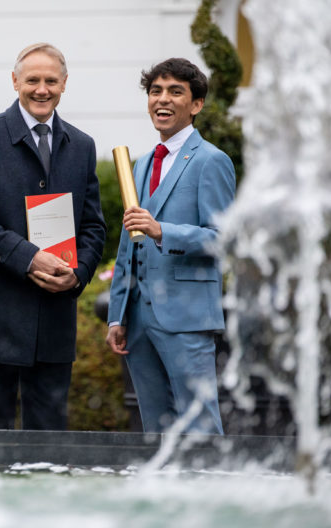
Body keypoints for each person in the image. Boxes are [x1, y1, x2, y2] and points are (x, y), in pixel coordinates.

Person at [0, 42, 106, 430]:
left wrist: (79, 274)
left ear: (64, 84)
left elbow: (93, 226)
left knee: (49, 442)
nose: (42, 89)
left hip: (54, 319)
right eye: (32, 80)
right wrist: (29, 257)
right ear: (15, 81)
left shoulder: (82, 145)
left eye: (51, 81)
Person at [106, 57, 235, 434]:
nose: (162, 99)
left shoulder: (212, 161)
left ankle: (210, 475)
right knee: (155, 427)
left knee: (200, 424)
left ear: (196, 104)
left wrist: (162, 231)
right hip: (138, 319)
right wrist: (117, 314)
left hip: (187, 318)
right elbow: (127, 245)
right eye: (155, 91)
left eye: (175, 92)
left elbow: (222, 240)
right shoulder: (142, 164)